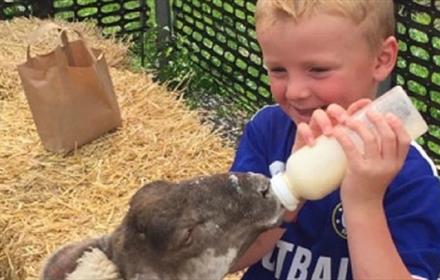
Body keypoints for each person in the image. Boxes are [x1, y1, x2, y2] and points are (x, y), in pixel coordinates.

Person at [229, 0, 440, 279]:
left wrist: (364, 203)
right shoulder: (266, 132)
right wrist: (285, 197)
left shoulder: (410, 175)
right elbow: (228, 259)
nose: (295, 91)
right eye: (278, 70)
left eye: (317, 69)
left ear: (381, 59)